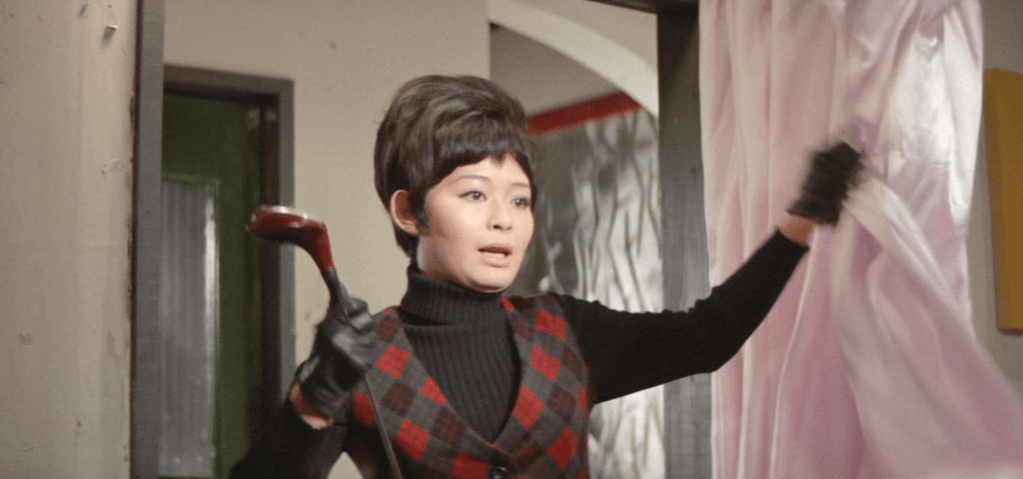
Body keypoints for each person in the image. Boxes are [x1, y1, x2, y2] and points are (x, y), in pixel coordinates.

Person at [230, 75, 863, 479]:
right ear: (408, 212)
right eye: (474, 194)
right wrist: (315, 397)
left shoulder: (566, 331)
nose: (503, 219)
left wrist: (803, 219)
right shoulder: (359, 364)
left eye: (520, 199)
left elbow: (709, 335)